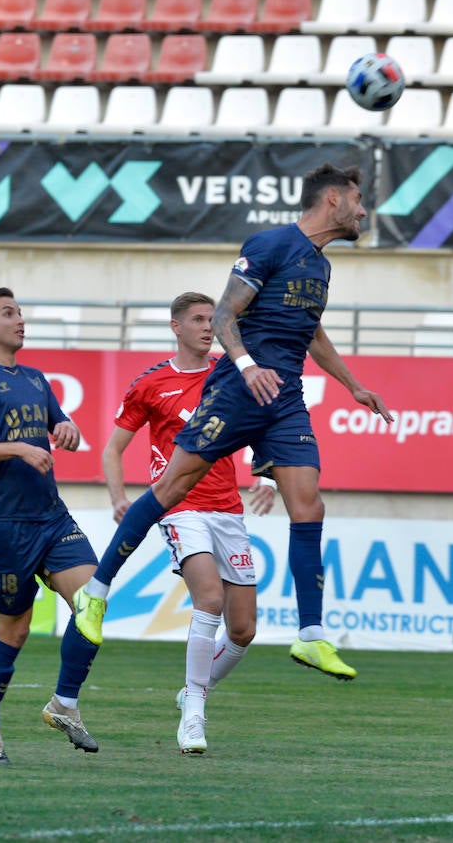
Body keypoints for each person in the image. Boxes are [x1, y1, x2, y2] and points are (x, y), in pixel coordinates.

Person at [72, 162, 394, 682]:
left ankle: (310, 636)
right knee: (172, 488)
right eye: (358, 200)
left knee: (308, 504)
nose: (363, 211)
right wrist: (246, 366)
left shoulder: (321, 268)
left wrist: (353, 385)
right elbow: (224, 316)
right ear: (332, 199)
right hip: (238, 390)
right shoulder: (268, 245)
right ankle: (96, 591)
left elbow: (312, 335)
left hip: (285, 399)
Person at [103, 291, 276, 754]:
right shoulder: (151, 384)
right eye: (198, 319)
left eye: (211, 319)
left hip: (228, 509)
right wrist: (121, 499)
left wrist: (270, 478)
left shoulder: (234, 375)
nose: (207, 326)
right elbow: (114, 448)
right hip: (179, 505)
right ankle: (195, 715)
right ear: (176, 327)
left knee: (243, 631)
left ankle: (193, 691)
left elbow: (265, 430)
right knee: (210, 598)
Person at [0, 287, 103, 765]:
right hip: (6, 524)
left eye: (19, 312)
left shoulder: (37, 379)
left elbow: (63, 432)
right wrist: (17, 448)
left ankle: (64, 704)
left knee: (92, 601)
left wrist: (69, 431)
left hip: (51, 517)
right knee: (14, 632)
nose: (20, 320)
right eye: (9, 313)